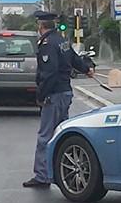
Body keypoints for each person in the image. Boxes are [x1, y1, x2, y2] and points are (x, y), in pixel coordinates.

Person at [23, 11, 94, 189]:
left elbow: (49, 73)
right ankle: (65, 171)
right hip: (65, 92)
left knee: (45, 136)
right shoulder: (62, 41)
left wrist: (41, 95)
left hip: (53, 94)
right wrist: (87, 69)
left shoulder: (47, 44)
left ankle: (42, 175)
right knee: (62, 134)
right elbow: (74, 59)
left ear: (41, 26)